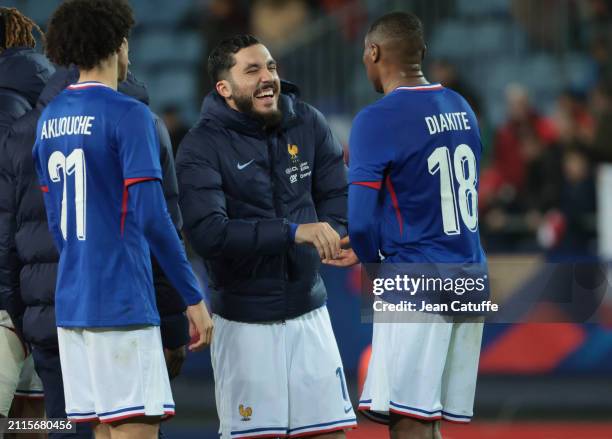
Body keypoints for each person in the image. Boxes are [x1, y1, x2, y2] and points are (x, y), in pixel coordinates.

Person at [32, 1, 213, 438]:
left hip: (73, 305)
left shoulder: (49, 118)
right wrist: (193, 298)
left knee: (103, 431)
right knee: (133, 430)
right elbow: (153, 217)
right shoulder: (129, 114)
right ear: (119, 44)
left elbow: (56, 223)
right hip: (122, 304)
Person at [176, 34, 355, 439]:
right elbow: (209, 234)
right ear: (224, 88)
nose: (268, 77)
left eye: (271, 66)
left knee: (330, 435)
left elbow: (337, 196)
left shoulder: (308, 121)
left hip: (310, 313)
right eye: (252, 70)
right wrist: (293, 233)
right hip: (243, 324)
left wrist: (335, 233)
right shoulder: (201, 145)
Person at [325, 12, 487, 439]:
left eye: (365, 53)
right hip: (470, 274)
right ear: (422, 54)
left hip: (417, 276)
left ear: (374, 52)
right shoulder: (461, 106)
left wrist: (372, 259)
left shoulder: (377, 119)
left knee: (407, 421)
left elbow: (359, 220)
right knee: (427, 416)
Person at [0, 6, 52, 425]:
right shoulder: (55, 97)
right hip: (47, 286)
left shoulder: (2, 105)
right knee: (37, 416)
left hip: (6, 297)